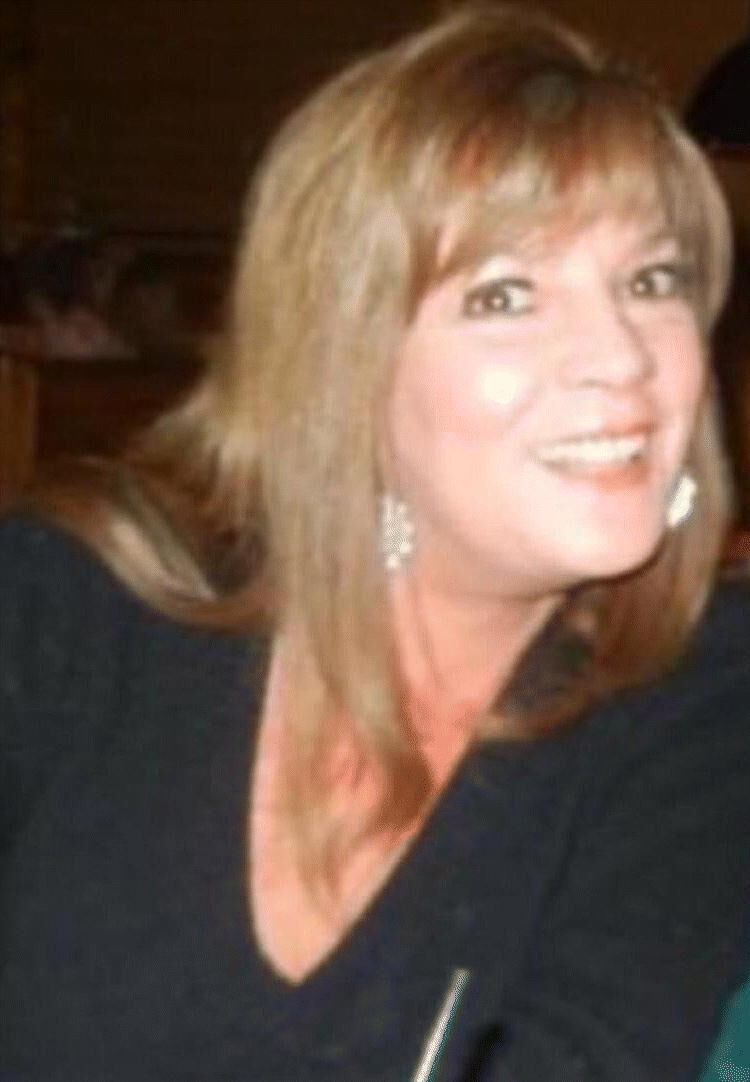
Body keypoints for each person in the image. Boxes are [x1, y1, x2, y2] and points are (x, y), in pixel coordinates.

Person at [1, 5, 749, 1080]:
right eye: (506, 294)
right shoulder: (74, 610)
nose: (623, 357)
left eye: (651, 281)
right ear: (343, 364)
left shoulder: (700, 699)